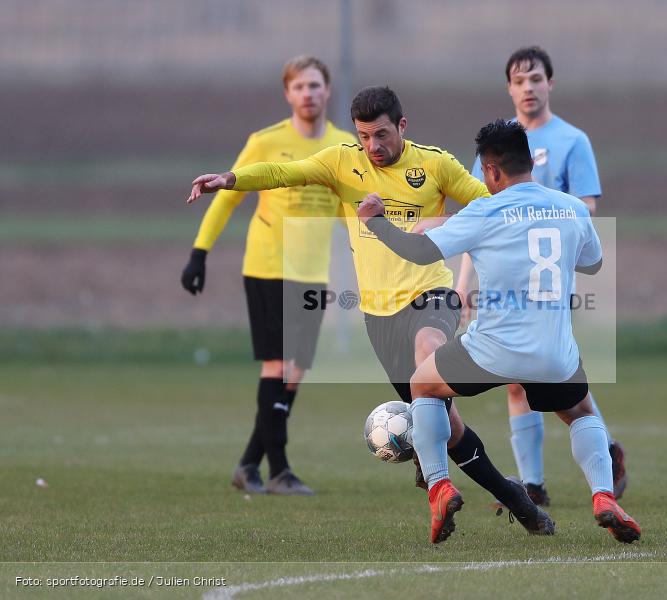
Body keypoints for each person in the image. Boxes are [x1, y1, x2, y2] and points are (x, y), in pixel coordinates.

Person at [187, 86, 554, 534]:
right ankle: (515, 499)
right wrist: (231, 179)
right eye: (364, 136)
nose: (373, 147)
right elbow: (286, 171)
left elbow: (492, 205)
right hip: (379, 316)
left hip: (430, 294)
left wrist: (442, 223)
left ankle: (438, 487)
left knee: (429, 355)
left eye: (381, 134)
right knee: (449, 429)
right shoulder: (342, 161)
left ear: (402, 126)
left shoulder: (434, 164)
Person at [357, 119, 641, 544]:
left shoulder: (484, 210)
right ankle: (603, 495)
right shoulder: (571, 208)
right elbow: (594, 263)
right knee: (581, 412)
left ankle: (438, 485)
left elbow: (418, 252)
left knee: (423, 385)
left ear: (490, 171)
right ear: (529, 161)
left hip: (491, 349)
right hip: (554, 353)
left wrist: (377, 222)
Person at [181, 56, 356, 495]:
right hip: (268, 266)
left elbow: (349, 212)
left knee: (295, 371)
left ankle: (247, 464)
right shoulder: (265, 141)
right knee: (277, 365)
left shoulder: (342, 146)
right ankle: (279, 470)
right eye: (299, 87)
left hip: (311, 273)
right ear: (288, 94)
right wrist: (199, 253)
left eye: (315, 85)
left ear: (327, 90)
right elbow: (227, 198)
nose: (308, 94)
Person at [469, 46, 626, 505]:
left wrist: (542, 210)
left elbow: (587, 207)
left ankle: (603, 448)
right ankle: (534, 483)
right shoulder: (495, 146)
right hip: (503, 277)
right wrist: (464, 285)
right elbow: (480, 214)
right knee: (518, 377)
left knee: (549, 370)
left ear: (549, 84)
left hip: (548, 276)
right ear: (509, 88)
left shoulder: (572, 140)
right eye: (519, 81)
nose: (528, 87)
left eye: (536, 78)